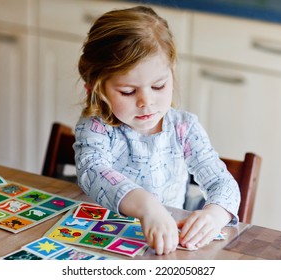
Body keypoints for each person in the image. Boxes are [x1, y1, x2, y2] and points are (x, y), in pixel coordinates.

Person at [73, 5, 240, 255]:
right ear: (96, 89)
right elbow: (93, 170)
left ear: (171, 74)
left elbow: (221, 182)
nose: (146, 102)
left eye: (159, 86)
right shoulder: (96, 127)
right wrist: (147, 206)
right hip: (100, 241)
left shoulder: (184, 128)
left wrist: (215, 215)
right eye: (128, 91)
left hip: (165, 246)